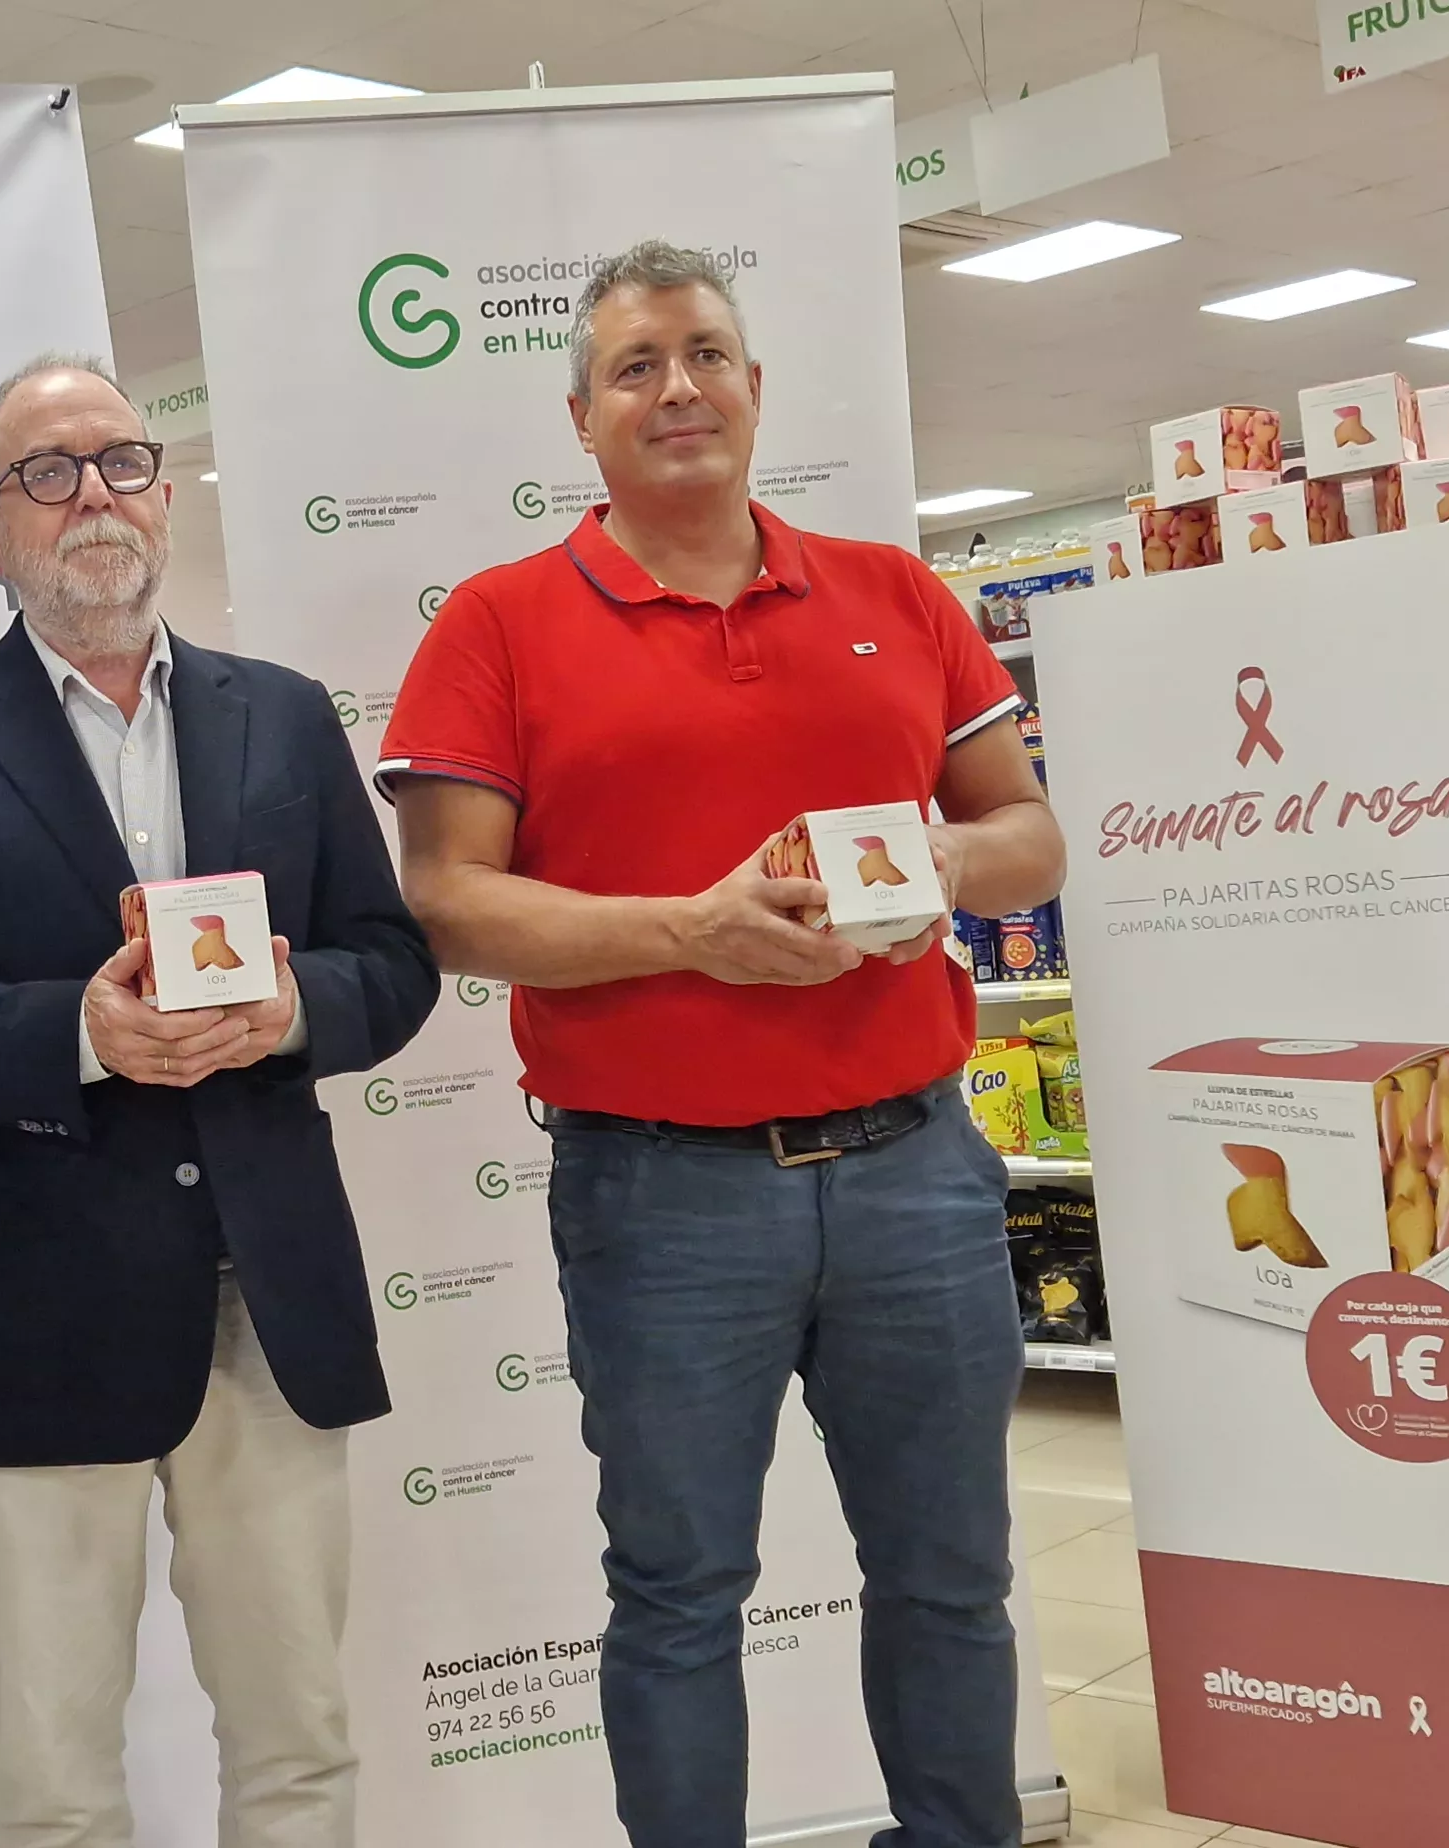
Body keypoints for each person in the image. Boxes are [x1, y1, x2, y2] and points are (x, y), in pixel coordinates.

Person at [376, 240, 1062, 1848]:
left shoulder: (896, 592)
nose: (676, 387)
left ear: (756, 388)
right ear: (582, 416)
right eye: (636, 366)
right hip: (662, 1200)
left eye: (704, 354)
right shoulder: (500, 622)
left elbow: (1028, 832)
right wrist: (690, 927)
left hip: (920, 1172)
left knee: (951, 1576)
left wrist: (935, 864)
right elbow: (450, 902)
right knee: (680, 1594)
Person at [0, 354, 436, 1848]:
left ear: (163, 490)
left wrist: (292, 1012)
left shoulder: (280, 717)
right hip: (39, 1315)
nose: (95, 496)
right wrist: (76, 1032)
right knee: (61, 1787)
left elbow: (390, 966)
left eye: (122, 462)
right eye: (46, 473)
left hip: (270, 1310)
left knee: (300, 1750)